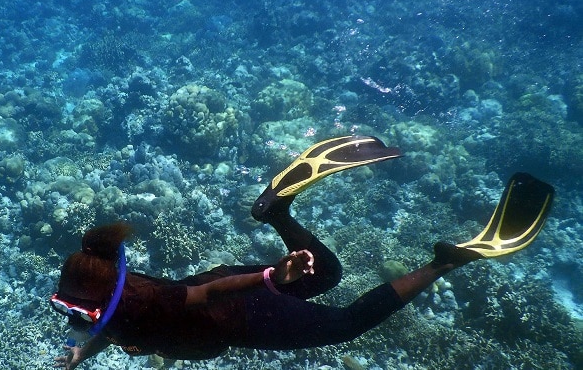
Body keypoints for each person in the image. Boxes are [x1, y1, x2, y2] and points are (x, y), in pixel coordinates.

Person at [50, 136, 554, 370]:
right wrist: (80, 353)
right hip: (230, 291)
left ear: (99, 305)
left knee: (344, 325)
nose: (71, 318)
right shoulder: (116, 302)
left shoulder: (143, 309)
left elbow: (208, 293)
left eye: (73, 314)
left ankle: (444, 262)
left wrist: (272, 278)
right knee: (328, 273)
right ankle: (277, 214)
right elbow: (108, 324)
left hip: (243, 311)